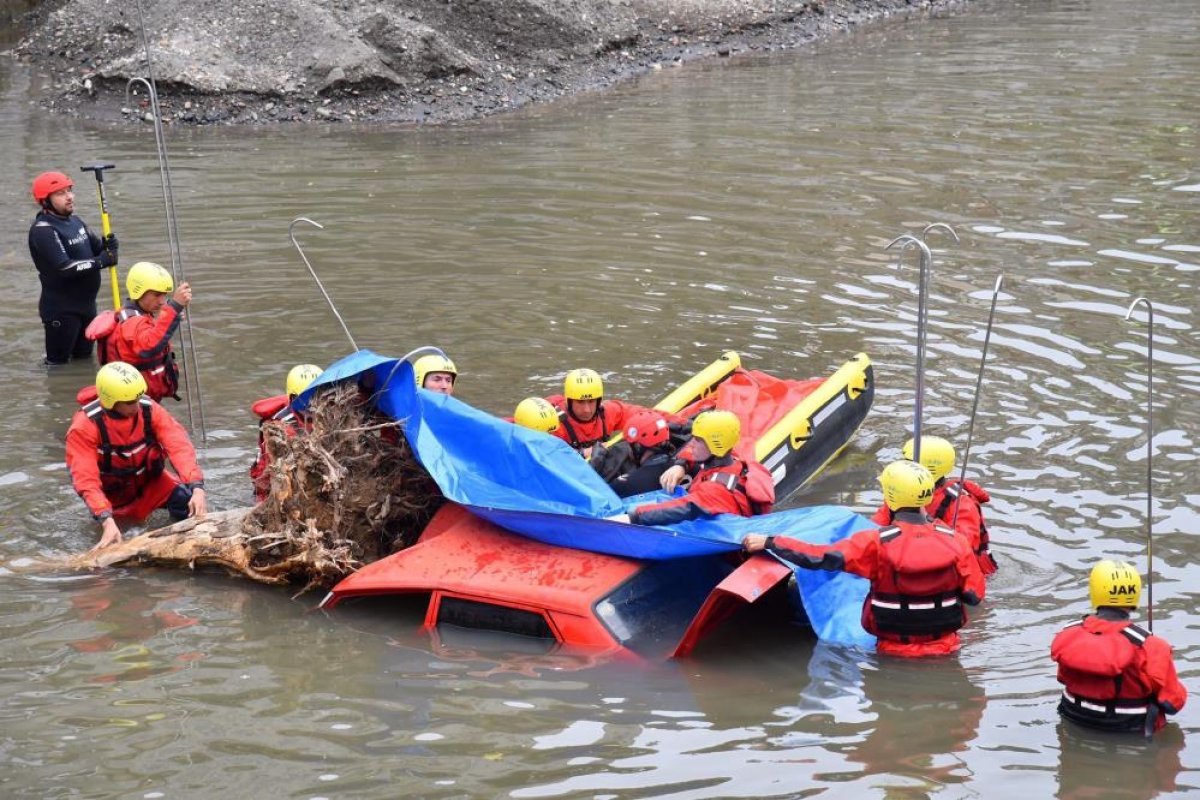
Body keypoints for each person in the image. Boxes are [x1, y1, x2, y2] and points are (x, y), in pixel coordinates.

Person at [743, 460, 984, 657]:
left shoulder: (874, 543)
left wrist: (771, 541)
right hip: (946, 649)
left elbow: (818, 557)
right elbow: (974, 596)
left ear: (890, 498)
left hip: (891, 651)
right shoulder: (956, 541)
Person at [65, 362, 207, 550]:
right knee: (114, 545)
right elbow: (86, 479)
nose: (137, 405)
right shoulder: (85, 427)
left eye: (138, 398)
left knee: (185, 501)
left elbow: (178, 445)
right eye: (131, 402)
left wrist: (197, 487)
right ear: (111, 401)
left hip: (150, 484)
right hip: (114, 498)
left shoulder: (148, 409)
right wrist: (105, 519)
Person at [1050, 560, 1186, 735]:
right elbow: (1173, 703)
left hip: (1074, 723)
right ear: (1135, 593)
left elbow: (1063, 678)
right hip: (1131, 734)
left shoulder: (1070, 633)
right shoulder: (1151, 645)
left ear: (1094, 590)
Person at [620, 409, 775, 525]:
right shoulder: (733, 461)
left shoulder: (715, 490)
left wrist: (633, 516)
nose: (691, 444)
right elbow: (694, 453)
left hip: (728, 553)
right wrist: (681, 464)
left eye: (698, 440)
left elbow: (683, 508)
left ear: (716, 446)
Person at [871, 435, 997, 577]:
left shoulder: (961, 503)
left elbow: (963, 548)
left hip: (959, 572)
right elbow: (874, 528)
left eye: (908, 463)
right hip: (911, 562)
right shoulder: (901, 494)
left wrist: (924, 526)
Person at [27, 170, 118, 366]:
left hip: (87, 307)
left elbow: (98, 251)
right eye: (61, 193)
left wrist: (109, 247)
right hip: (61, 311)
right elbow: (65, 267)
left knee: (84, 363)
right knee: (58, 368)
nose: (69, 197)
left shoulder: (76, 222)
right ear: (45, 200)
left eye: (69, 190)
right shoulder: (43, 230)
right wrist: (102, 261)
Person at [91, 261, 191, 402]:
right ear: (138, 292)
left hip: (141, 396)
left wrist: (171, 318)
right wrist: (173, 308)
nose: (162, 301)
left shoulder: (137, 316)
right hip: (133, 400)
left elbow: (148, 333)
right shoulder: (132, 322)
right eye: (156, 295)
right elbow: (149, 345)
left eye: (164, 295)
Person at [550, 368, 671, 458]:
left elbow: (647, 416)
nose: (587, 410)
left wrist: (681, 421)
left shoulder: (608, 412)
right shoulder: (553, 423)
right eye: (580, 402)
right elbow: (544, 455)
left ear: (599, 400)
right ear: (568, 401)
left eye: (591, 402)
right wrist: (583, 453)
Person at [249, 364, 324, 502]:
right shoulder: (279, 427)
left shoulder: (330, 415)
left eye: (318, 398)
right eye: (306, 401)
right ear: (293, 399)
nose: (313, 406)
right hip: (270, 487)